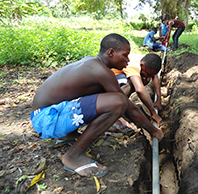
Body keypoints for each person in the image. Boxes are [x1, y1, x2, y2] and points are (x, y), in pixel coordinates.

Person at [30, 33, 163, 178]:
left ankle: (67, 134)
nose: (128, 59)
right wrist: (153, 131)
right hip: (47, 119)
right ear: (111, 53)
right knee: (118, 102)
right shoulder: (102, 72)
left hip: (45, 115)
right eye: (125, 55)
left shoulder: (93, 63)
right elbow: (126, 106)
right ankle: (73, 156)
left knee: (113, 99)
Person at [111, 53, 163, 125]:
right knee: (133, 83)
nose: (148, 78)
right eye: (147, 74)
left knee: (141, 79)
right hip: (109, 83)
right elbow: (140, 90)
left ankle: (122, 104)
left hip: (116, 81)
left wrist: (158, 99)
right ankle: (113, 111)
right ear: (142, 65)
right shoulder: (134, 65)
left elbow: (155, 76)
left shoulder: (146, 62)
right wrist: (153, 113)